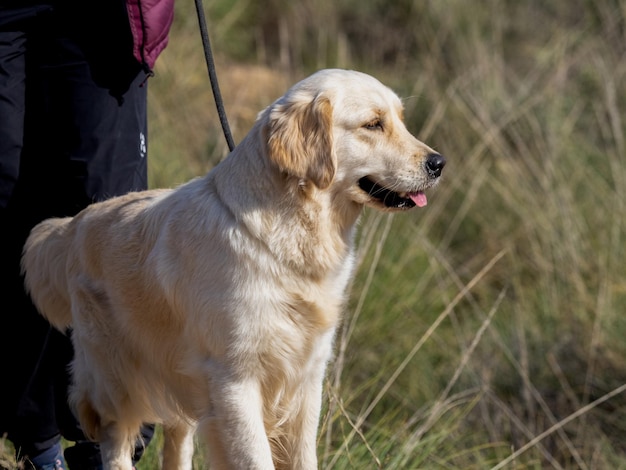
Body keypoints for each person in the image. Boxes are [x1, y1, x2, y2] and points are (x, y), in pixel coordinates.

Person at [0, 1, 175, 468]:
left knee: (106, 220)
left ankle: (107, 443)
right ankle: (34, 435)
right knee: (6, 201)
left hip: (105, 15)